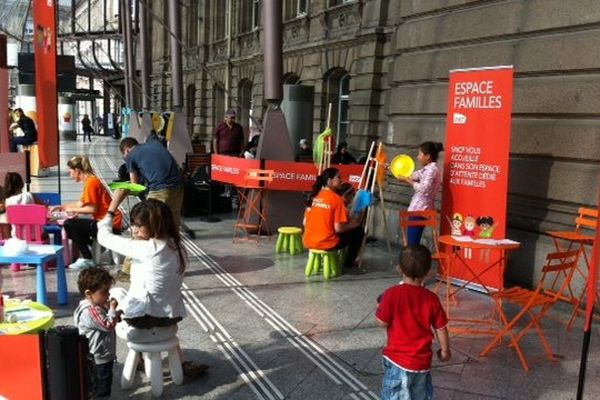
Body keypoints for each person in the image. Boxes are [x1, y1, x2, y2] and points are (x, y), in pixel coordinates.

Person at [97, 198, 208, 380]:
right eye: (133, 225)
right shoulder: (178, 246)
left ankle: (107, 358)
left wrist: (112, 207)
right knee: (135, 296)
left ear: (155, 226)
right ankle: (180, 363)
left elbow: (104, 237)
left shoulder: (148, 248)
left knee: (114, 294)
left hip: (144, 322)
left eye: (139, 226)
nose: (134, 230)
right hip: (170, 320)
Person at [376, 245, 451, 400]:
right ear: (428, 272)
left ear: (399, 269)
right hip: (422, 363)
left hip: (397, 360)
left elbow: (382, 322)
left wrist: (379, 308)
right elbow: (441, 328)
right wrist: (445, 350)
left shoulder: (391, 294)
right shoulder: (431, 299)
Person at [52, 156, 122, 270]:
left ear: (77, 171)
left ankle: (87, 258)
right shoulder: (90, 181)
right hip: (106, 222)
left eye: (70, 172)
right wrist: (63, 207)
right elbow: (81, 204)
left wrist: (71, 210)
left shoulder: (91, 183)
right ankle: (96, 246)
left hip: (110, 224)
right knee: (73, 225)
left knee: (70, 224)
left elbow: (91, 209)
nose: (70, 176)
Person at [113, 137, 184, 229]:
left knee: (150, 223)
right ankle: (173, 242)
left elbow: (135, 186)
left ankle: (153, 242)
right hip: (178, 187)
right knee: (173, 224)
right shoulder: (154, 145)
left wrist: (122, 189)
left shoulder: (130, 156)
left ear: (126, 150)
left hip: (160, 190)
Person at [303, 168, 365, 273]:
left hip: (308, 240)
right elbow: (338, 228)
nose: (341, 180)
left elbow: (305, 222)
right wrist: (353, 225)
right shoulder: (336, 200)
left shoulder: (316, 196)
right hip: (326, 243)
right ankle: (349, 264)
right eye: (338, 177)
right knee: (359, 232)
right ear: (330, 181)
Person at [74, 267, 121, 400]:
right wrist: (112, 308)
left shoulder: (96, 306)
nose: (108, 295)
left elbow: (105, 320)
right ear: (89, 293)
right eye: (104, 291)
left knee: (100, 384)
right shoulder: (91, 310)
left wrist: (115, 314)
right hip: (98, 356)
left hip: (99, 355)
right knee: (102, 387)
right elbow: (108, 325)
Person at [397, 141, 443, 245]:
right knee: (412, 241)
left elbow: (424, 188)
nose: (418, 157)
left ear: (428, 156)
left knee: (412, 243)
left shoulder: (431, 170)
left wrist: (407, 181)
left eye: (420, 154)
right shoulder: (427, 169)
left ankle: (412, 260)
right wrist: (393, 168)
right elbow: (411, 175)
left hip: (420, 209)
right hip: (419, 208)